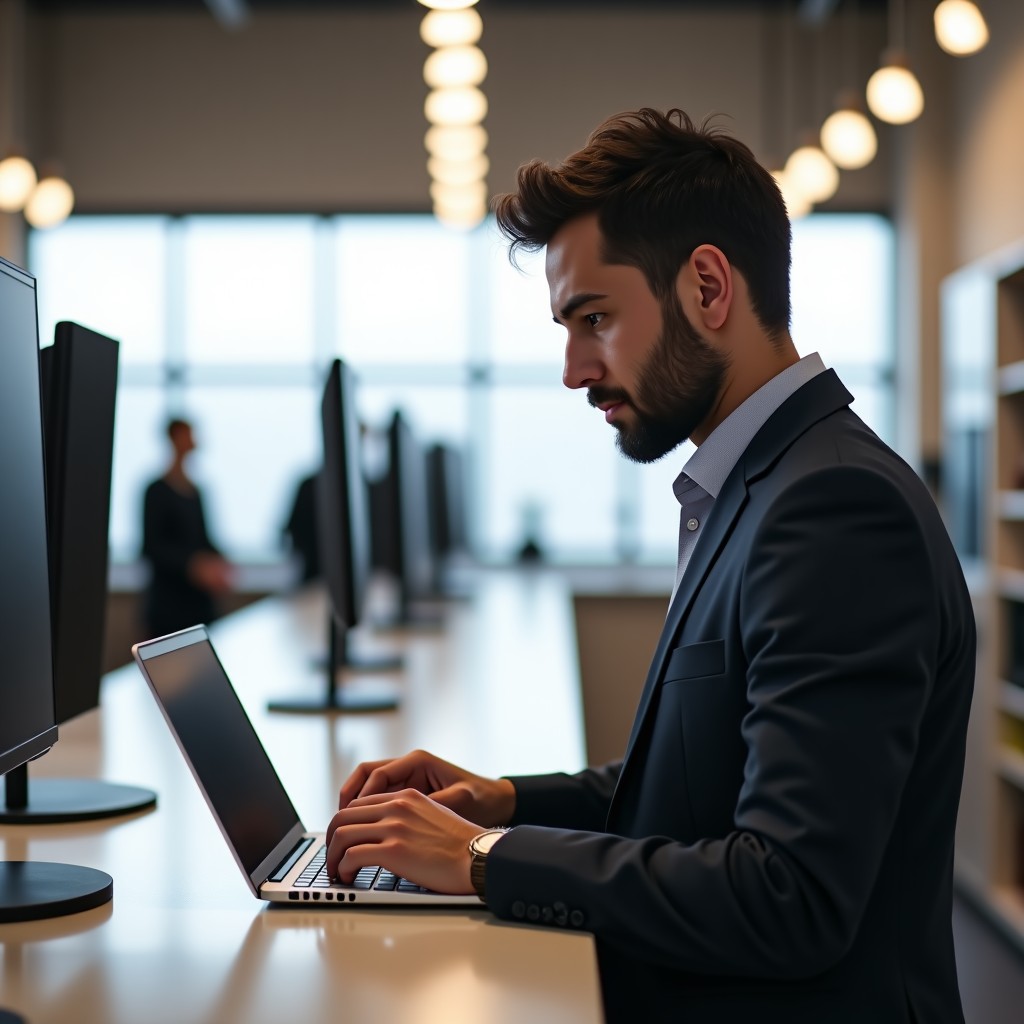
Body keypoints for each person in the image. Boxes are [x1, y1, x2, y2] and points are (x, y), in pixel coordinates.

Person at [323, 109, 975, 1023]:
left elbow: (789, 895)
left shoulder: (833, 510)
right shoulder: (761, 484)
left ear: (708, 287)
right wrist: (499, 803)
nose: (573, 367)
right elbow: (700, 785)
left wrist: (478, 860)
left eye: (595, 318)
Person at [141, 417, 233, 637]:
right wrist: (192, 565)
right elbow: (151, 547)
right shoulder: (156, 490)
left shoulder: (195, 491)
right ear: (174, 438)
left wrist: (221, 562)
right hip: (169, 604)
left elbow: (205, 539)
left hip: (198, 604)